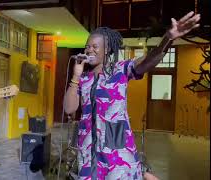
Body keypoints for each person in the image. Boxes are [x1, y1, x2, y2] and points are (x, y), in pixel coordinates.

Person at [64, 11, 200, 179]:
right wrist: (76, 76)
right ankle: (145, 174)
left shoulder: (121, 69)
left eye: (95, 46)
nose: (89, 49)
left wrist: (168, 38)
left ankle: (142, 173)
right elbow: (69, 108)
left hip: (116, 150)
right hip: (87, 151)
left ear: (107, 50)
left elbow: (148, 61)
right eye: (88, 46)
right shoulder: (83, 79)